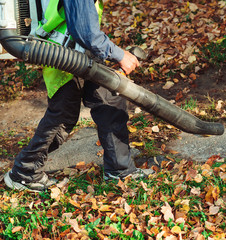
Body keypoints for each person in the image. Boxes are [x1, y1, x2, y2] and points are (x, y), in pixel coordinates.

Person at [4, 0, 153, 192]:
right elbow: (85, 31)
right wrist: (119, 54)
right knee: (62, 118)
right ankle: (24, 173)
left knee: (110, 102)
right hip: (64, 56)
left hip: (79, 53)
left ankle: (119, 170)